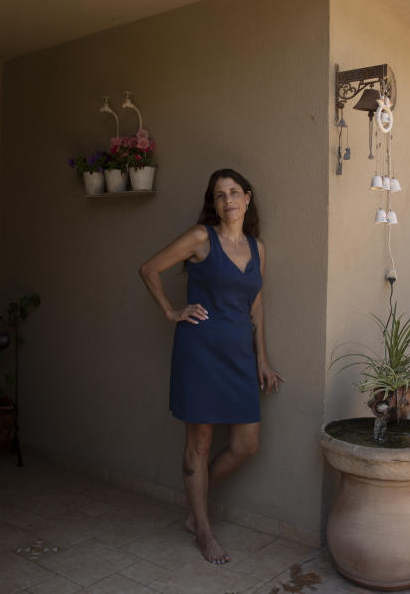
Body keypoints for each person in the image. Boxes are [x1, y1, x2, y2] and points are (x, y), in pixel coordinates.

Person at [139, 168, 284, 565]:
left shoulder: (258, 248)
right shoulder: (201, 237)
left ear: (248, 198)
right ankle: (203, 530)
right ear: (213, 203)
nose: (228, 200)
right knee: (199, 445)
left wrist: (263, 360)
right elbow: (149, 269)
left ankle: (195, 506)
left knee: (245, 445)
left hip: (239, 356)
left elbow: (256, 304)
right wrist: (171, 311)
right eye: (220, 195)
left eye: (235, 192)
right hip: (200, 352)